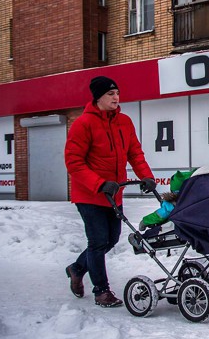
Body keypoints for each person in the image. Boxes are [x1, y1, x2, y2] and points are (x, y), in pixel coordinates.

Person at [64, 75, 157, 308]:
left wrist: (146, 176)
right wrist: (98, 183)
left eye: (117, 93)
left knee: (112, 239)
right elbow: (74, 162)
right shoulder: (83, 124)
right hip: (89, 193)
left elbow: (134, 152)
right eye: (110, 94)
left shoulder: (124, 122)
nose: (116, 97)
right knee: (97, 241)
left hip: (113, 193)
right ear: (98, 97)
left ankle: (76, 268)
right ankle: (101, 291)